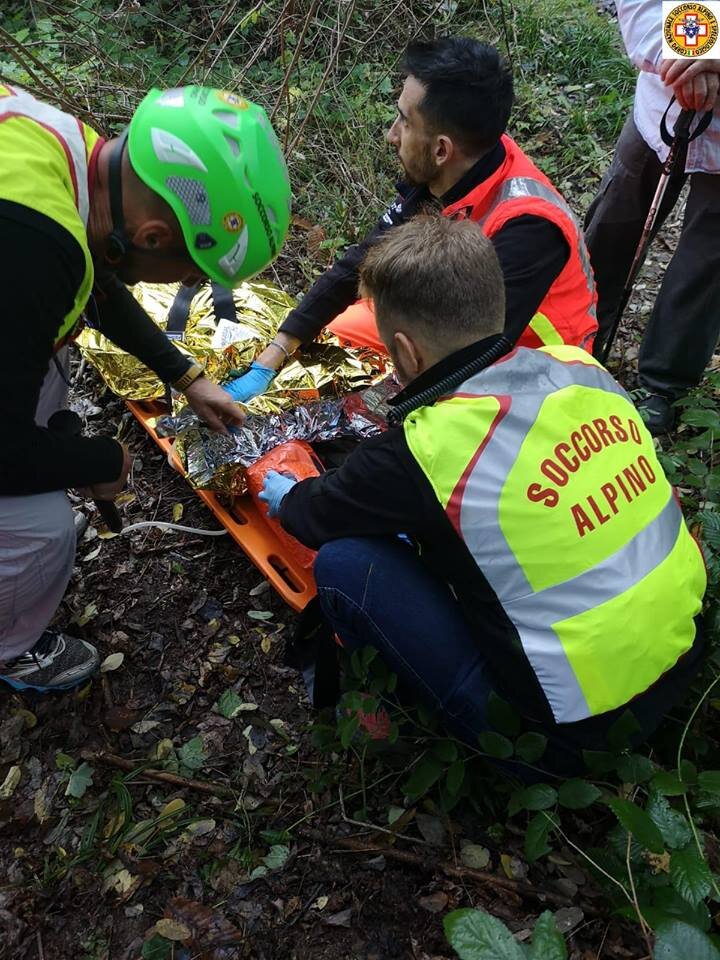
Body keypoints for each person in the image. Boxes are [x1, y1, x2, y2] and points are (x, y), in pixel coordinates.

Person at [259, 216, 706, 776]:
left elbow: (310, 516)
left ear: (405, 352)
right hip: (682, 656)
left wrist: (288, 493)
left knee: (348, 563)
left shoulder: (423, 451)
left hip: (563, 738)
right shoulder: (579, 369)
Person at [0, 83, 290, 692]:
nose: (186, 283)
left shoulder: (69, 150)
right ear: (155, 236)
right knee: (43, 525)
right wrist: (103, 459)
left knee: (47, 389)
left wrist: (188, 376)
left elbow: (94, 278)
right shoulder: (32, 242)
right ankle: (11, 649)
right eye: (190, 272)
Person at [225, 36, 598, 406]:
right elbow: (361, 262)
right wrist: (276, 352)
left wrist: (384, 421)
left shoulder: (528, 230)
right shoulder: (455, 168)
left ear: (441, 149)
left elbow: (476, 358)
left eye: (404, 121)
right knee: (338, 332)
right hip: (447, 308)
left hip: (533, 363)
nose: (392, 135)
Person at [584, 1, 720, 435]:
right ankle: (576, 333)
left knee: (707, 261)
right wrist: (684, 57)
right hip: (661, 97)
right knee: (613, 220)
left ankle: (662, 385)